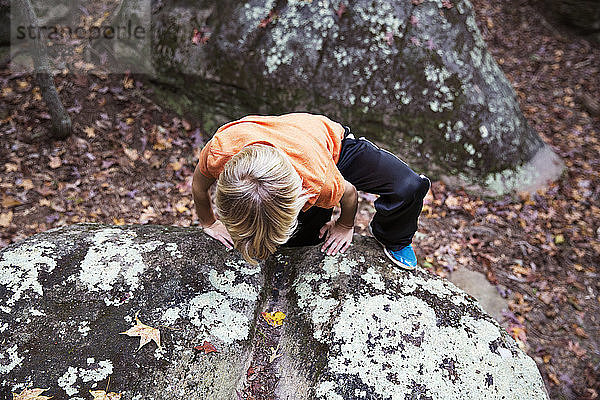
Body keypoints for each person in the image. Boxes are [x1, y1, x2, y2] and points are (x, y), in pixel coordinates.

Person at [192, 112, 430, 269]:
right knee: (301, 242)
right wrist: (209, 222)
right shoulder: (220, 150)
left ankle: (394, 237)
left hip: (331, 144)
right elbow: (198, 187)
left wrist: (345, 225)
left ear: (300, 196)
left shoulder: (318, 183)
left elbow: (349, 195)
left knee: (409, 186)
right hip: (284, 144)